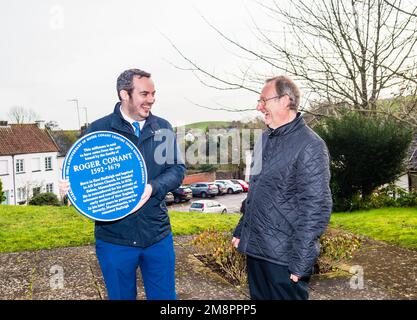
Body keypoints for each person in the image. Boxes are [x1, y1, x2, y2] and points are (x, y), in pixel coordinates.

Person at [60, 68, 185, 300]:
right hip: (114, 240)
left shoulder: (163, 127)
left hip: (157, 235)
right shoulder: (99, 130)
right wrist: (69, 188)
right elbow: (82, 172)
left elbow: (177, 170)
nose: (151, 100)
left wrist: (152, 188)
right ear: (124, 95)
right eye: (144, 94)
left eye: (153, 93)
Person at [231, 75, 332, 300]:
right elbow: (256, 193)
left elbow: (316, 209)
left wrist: (301, 261)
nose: (259, 107)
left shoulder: (310, 145)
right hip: (256, 251)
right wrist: (242, 230)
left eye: (263, 100)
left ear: (285, 100)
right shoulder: (264, 139)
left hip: (283, 259)